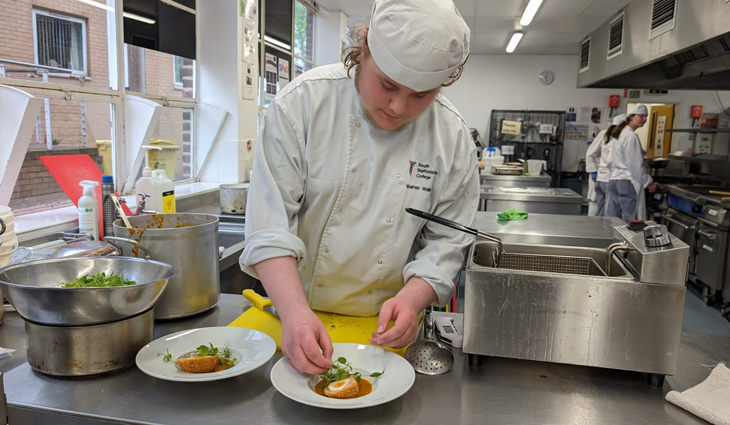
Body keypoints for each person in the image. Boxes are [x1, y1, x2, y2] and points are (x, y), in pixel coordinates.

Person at [240, 0, 477, 375]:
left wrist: (413, 299)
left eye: (421, 95)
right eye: (387, 85)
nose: (399, 107)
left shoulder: (452, 137)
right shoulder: (303, 104)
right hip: (293, 310)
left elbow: (448, 240)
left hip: (385, 326)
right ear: (363, 48)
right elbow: (269, 225)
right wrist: (294, 311)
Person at [605, 105, 659, 222]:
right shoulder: (630, 136)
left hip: (614, 180)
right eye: (641, 116)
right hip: (627, 182)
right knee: (630, 221)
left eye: (646, 116)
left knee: (614, 219)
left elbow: (609, 160)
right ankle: (627, 241)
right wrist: (648, 182)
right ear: (631, 117)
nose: (644, 119)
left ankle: (614, 240)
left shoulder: (619, 133)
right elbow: (635, 165)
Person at [585, 114, 626, 216]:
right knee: (600, 208)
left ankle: (598, 229)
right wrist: (593, 171)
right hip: (603, 177)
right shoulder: (605, 134)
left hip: (604, 177)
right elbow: (590, 154)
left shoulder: (622, 137)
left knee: (602, 209)